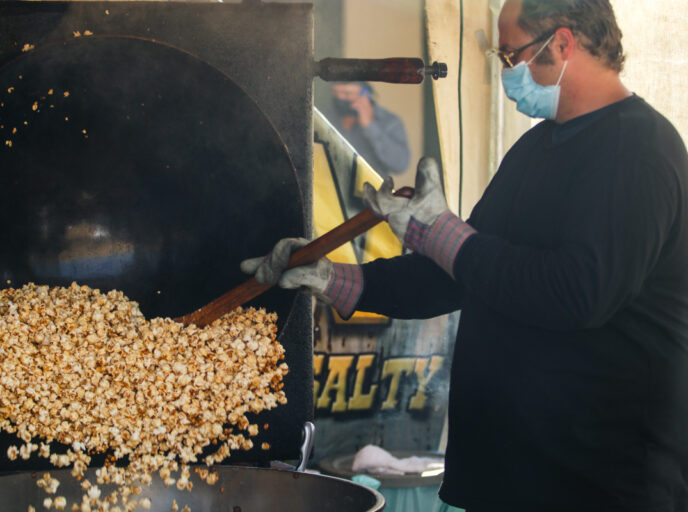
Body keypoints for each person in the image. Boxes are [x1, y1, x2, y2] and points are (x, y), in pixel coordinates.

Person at [241, 1, 688, 511]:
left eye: (511, 55)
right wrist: (333, 279)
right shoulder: (535, 150)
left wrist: (442, 234)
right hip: (515, 474)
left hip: (601, 482)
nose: (507, 72)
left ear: (563, 43)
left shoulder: (641, 151)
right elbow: (456, 275)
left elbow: (577, 294)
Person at [327, 81, 410, 178]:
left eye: (347, 93)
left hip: (370, 190)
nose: (340, 98)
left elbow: (400, 164)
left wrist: (370, 126)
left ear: (365, 93)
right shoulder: (326, 116)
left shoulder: (389, 121)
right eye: (336, 93)